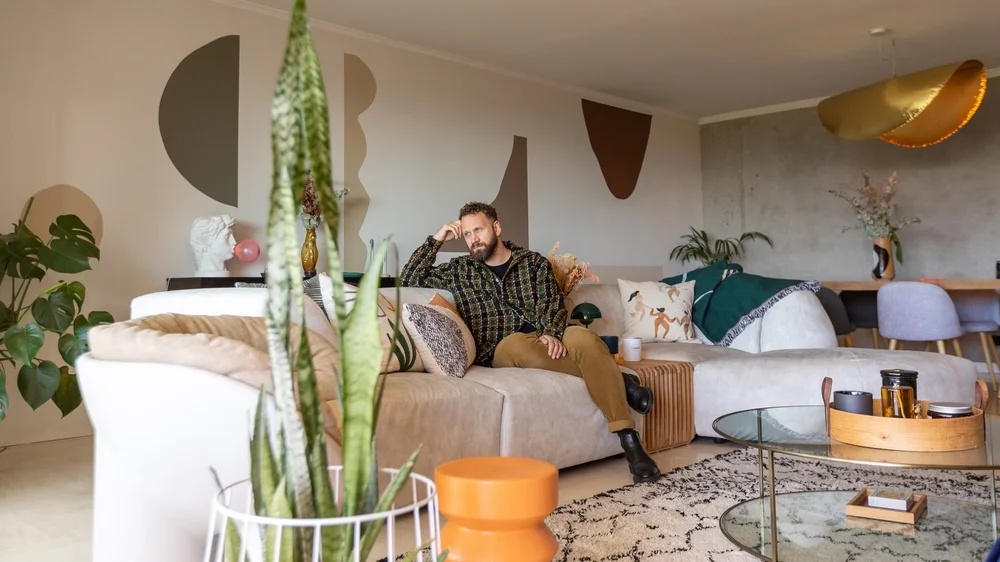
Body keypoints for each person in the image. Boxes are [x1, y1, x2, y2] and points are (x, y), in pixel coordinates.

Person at [400, 202, 662, 483]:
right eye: (467, 234)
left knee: (584, 337)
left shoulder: (533, 262)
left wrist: (551, 332)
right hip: (503, 345)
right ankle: (628, 429)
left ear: (496, 228)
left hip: (545, 333)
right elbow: (410, 277)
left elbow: (552, 303)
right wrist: (438, 238)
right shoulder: (459, 270)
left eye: (478, 230)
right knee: (519, 345)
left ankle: (626, 420)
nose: (473, 239)